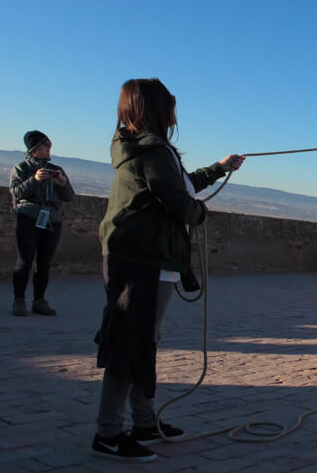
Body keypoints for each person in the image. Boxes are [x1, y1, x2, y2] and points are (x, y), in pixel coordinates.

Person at [92, 78, 244, 462]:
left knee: (143, 341)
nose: (175, 113)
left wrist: (219, 169)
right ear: (155, 109)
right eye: (170, 106)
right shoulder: (153, 152)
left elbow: (180, 185)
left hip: (146, 258)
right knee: (128, 343)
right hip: (140, 259)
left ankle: (143, 422)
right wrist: (201, 213)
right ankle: (108, 434)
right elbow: (182, 202)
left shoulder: (147, 149)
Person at [8, 130, 75, 316]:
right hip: (29, 218)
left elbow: (69, 196)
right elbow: (16, 193)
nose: (48, 149)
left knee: (45, 263)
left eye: (49, 146)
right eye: (45, 146)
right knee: (24, 261)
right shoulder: (21, 169)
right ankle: (19, 299)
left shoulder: (57, 169)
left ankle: (39, 300)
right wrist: (35, 180)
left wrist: (61, 183)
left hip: (52, 220)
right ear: (34, 150)